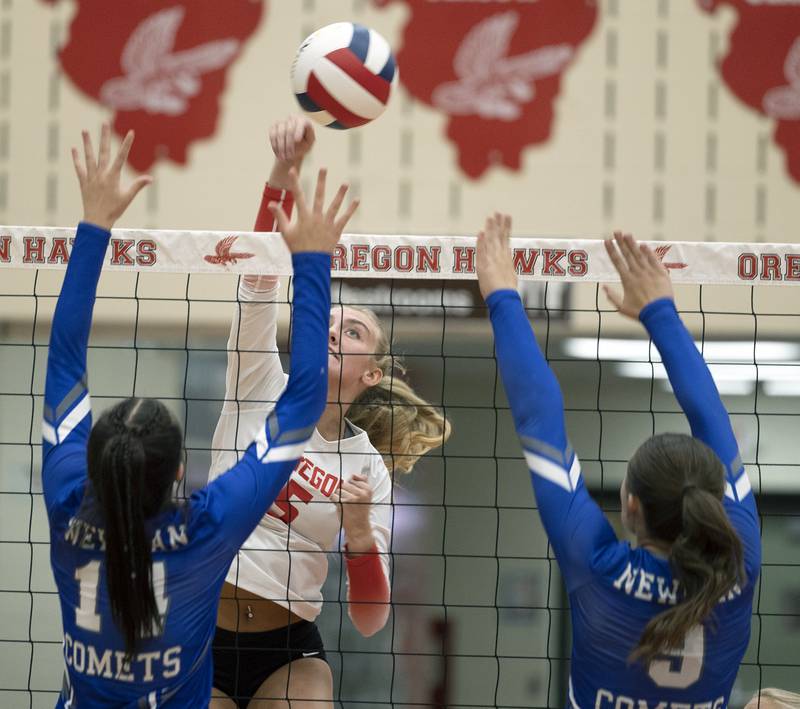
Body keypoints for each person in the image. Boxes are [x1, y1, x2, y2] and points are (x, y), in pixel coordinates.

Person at [45, 125, 354, 707]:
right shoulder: (205, 529)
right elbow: (306, 400)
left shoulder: (67, 501)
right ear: (181, 472)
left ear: (92, 463)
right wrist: (312, 260)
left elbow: (63, 363)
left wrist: (93, 228)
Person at [209, 116, 452, 709]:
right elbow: (259, 281)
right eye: (333, 321)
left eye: (357, 330)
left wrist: (362, 533)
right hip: (200, 632)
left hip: (288, 649)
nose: (337, 330)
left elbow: (370, 619)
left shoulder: (368, 470)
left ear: (373, 373)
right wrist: (281, 174)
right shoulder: (259, 379)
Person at [475, 217, 761, 708]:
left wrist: (502, 297)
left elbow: (541, 416)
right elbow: (538, 423)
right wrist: (503, 297)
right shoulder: (740, 565)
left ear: (630, 506)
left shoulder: (600, 566)